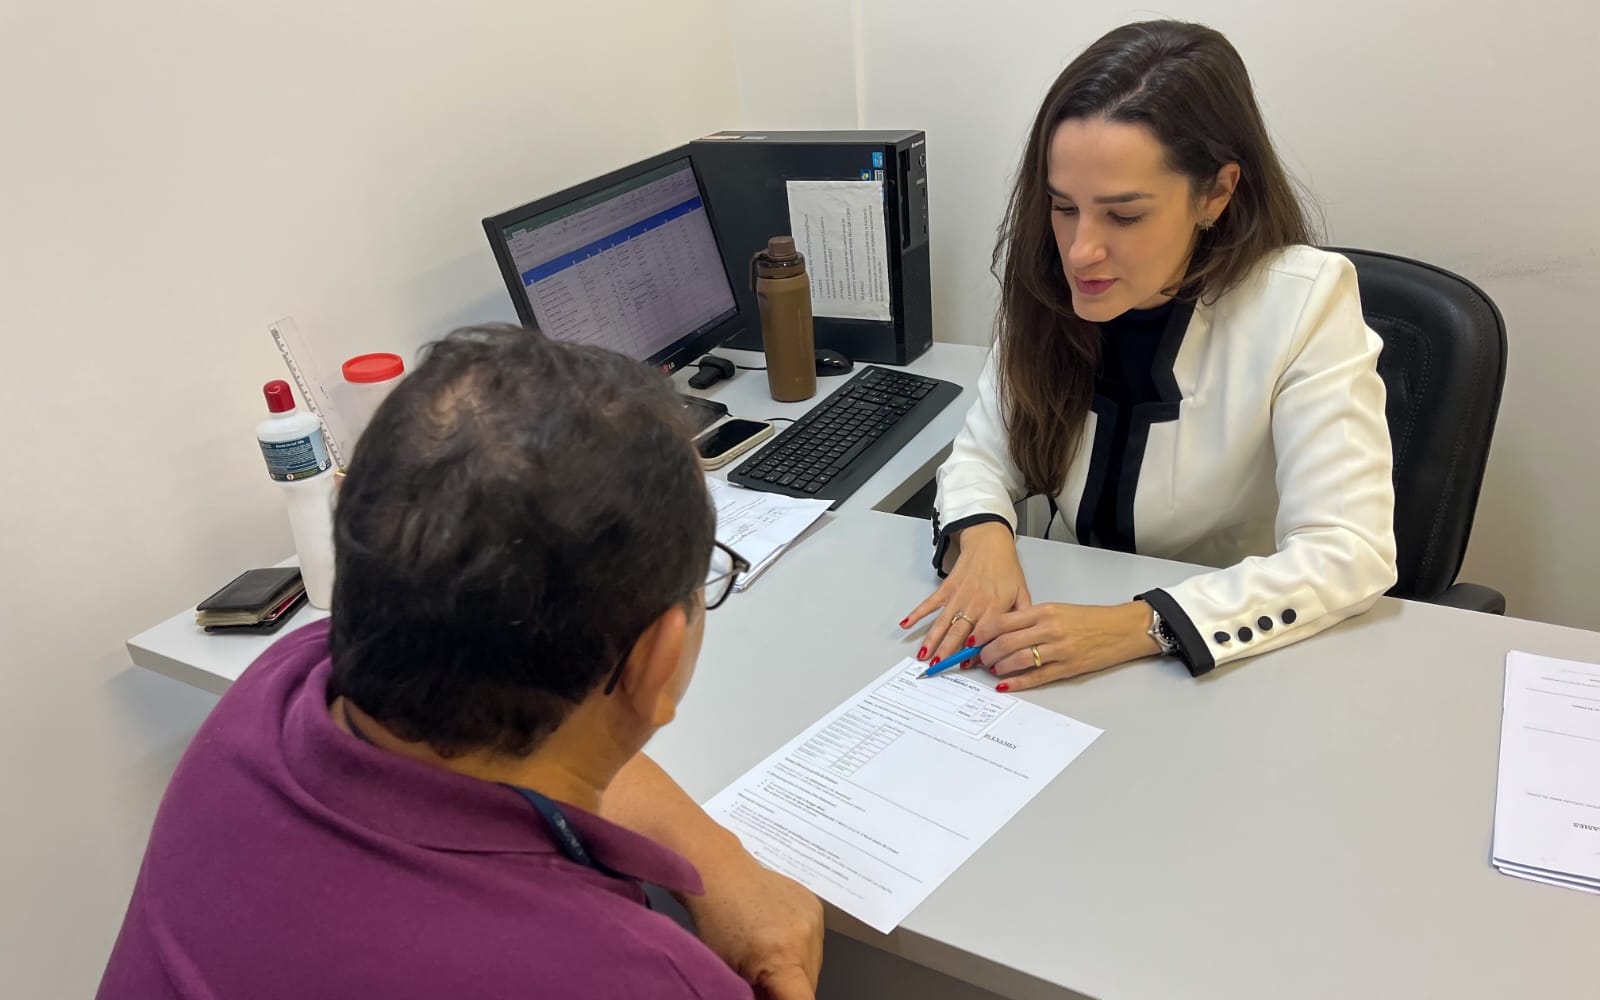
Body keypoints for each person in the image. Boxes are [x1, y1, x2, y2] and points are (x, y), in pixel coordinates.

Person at [99, 326, 823, 999]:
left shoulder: (277, 693)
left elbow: (555, 736)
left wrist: (717, 861)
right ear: (658, 659)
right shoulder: (629, 974)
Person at [905, 20, 1398, 688]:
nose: (1080, 251)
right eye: (1062, 207)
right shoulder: (1050, 288)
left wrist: (1138, 625)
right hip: (1051, 639)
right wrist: (985, 535)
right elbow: (985, 452)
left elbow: (1349, 550)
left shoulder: (1305, 303)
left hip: (1217, 666)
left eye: (1125, 215)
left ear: (1216, 194)